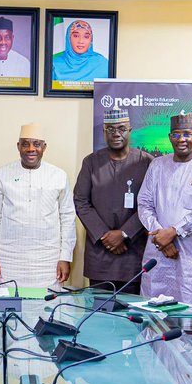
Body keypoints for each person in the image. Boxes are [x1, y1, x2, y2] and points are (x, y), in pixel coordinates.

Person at [136, 112, 192, 306]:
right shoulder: (157, 165)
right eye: (175, 134)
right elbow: (144, 203)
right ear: (169, 137)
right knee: (154, 312)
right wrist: (161, 237)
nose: (181, 139)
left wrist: (174, 231)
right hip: (157, 251)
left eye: (187, 134)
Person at [0, 124, 76, 290]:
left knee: (48, 309)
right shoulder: (2, 174)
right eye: (25, 144)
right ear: (18, 146)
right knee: (9, 310)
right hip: (9, 259)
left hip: (48, 260)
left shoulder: (58, 175)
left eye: (37, 144)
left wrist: (65, 257)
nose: (31, 149)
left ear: (44, 147)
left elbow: (68, 218)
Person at [73, 108, 153, 293]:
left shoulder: (147, 162)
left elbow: (149, 204)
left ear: (130, 131)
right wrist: (104, 235)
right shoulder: (91, 162)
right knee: (99, 316)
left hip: (133, 251)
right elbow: (81, 201)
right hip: (100, 253)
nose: (116, 133)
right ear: (104, 132)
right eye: (110, 129)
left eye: (121, 128)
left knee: (131, 315)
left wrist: (124, 234)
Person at [51, 20, 108, 89]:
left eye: (86, 37)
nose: (81, 41)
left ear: (91, 40)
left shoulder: (102, 63)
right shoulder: (54, 64)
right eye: (76, 36)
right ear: (68, 38)